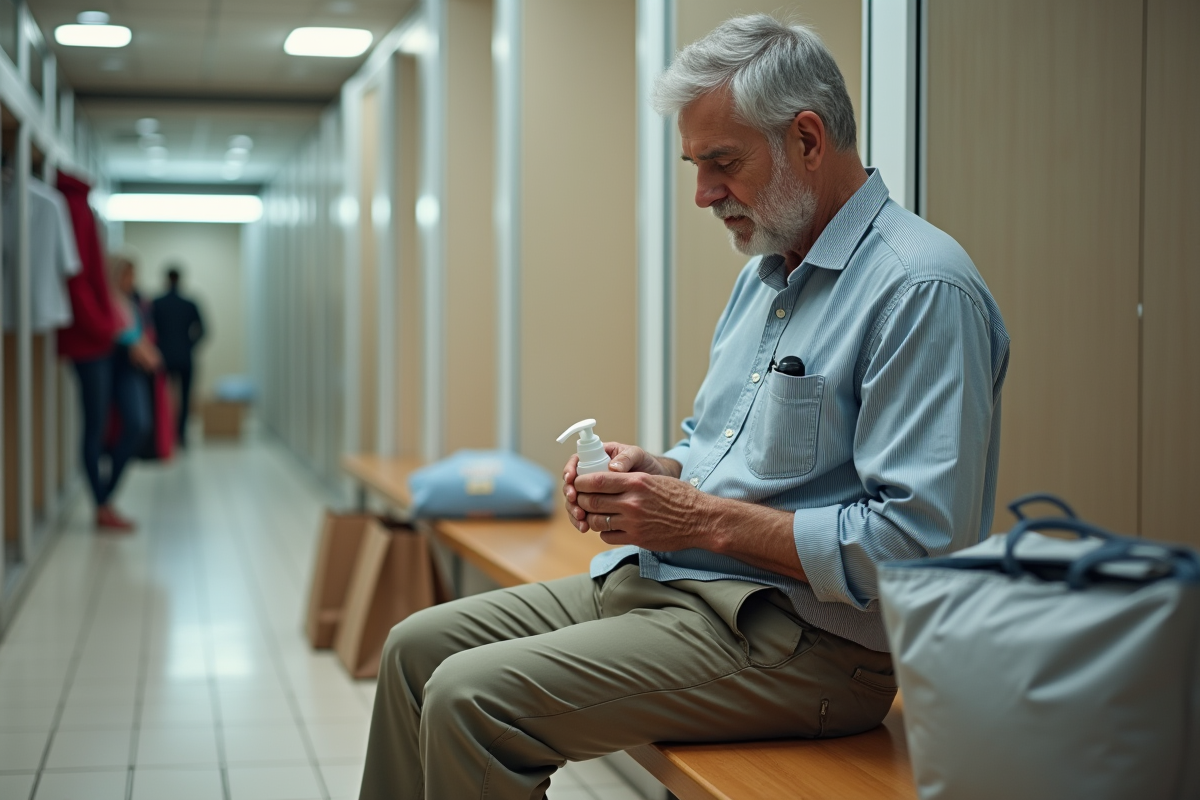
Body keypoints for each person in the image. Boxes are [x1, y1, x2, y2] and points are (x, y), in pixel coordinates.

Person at [359, 15, 1010, 800]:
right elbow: (716, 448)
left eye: (722, 163)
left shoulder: (920, 289)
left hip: (815, 646)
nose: (704, 194)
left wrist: (695, 519)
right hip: (678, 585)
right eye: (695, 166)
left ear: (807, 139)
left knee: (473, 699)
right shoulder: (764, 278)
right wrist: (656, 473)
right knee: (412, 650)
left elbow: (915, 548)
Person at [92, 255, 160, 531]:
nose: (130, 281)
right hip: (112, 366)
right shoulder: (106, 301)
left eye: (133, 275)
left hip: (131, 371)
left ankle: (105, 496)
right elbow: (116, 332)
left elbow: (137, 332)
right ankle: (102, 502)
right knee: (99, 431)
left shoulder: (134, 303)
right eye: (125, 275)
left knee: (138, 425)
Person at [151, 265, 205, 447]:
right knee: (185, 396)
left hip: (162, 357)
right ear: (179, 279)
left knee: (162, 397)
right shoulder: (189, 303)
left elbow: (149, 330)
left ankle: (166, 434)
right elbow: (203, 330)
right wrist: (189, 345)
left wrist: (157, 347)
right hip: (184, 357)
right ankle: (181, 435)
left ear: (167, 279)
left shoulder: (156, 303)